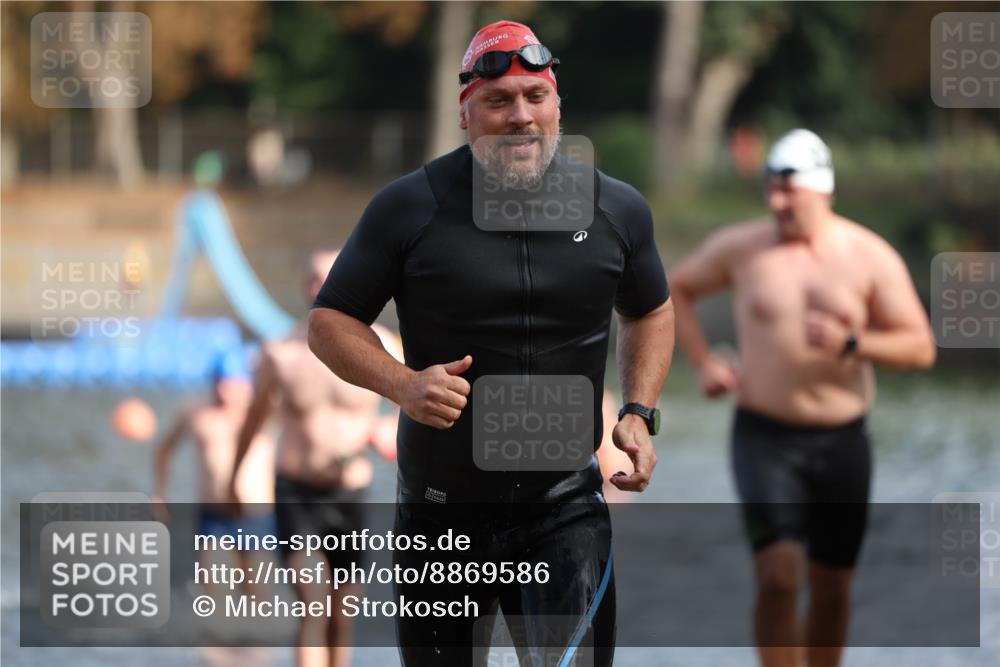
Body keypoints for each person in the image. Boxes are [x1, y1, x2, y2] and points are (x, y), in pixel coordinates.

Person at [308, 20, 674, 666]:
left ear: (558, 103)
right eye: (498, 101)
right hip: (440, 516)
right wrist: (401, 382)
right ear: (465, 113)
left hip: (565, 510)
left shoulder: (614, 208)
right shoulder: (409, 208)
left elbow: (650, 310)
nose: (520, 117)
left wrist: (639, 411)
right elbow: (330, 320)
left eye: (535, 96)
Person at [669, 128, 937, 667]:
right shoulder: (744, 248)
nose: (776, 203)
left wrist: (854, 343)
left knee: (833, 584)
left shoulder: (868, 256)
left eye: (788, 191)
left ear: (822, 189)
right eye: (770, 190)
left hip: (842, 441)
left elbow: (920, 348)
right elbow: (677, 289)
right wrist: (705, 364)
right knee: (777, 574)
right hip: (765, 436)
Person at [230, 250, 402, 667]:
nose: (320, 287)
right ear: (304, 286)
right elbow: (254, 419)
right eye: (313, 278)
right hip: (297, 490)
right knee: (313, 600)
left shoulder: (382, 345)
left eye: (329, 277)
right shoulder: (280, 353)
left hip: (351, 491)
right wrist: (234, 477)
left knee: (342, 612)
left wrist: (386, 430)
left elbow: (409, 404)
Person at [153, 347, 277, 597]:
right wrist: (160, 493)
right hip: (214, 515)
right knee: (214, 593)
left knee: (258, 595)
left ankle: (255, 636)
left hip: (256, 514)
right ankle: (214, 636)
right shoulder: (198, 413)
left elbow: (291, 392)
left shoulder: (263, 412)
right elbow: (164, 450)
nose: (224, 391)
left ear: (246, 383)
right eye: (219, 383)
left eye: (231, 384)